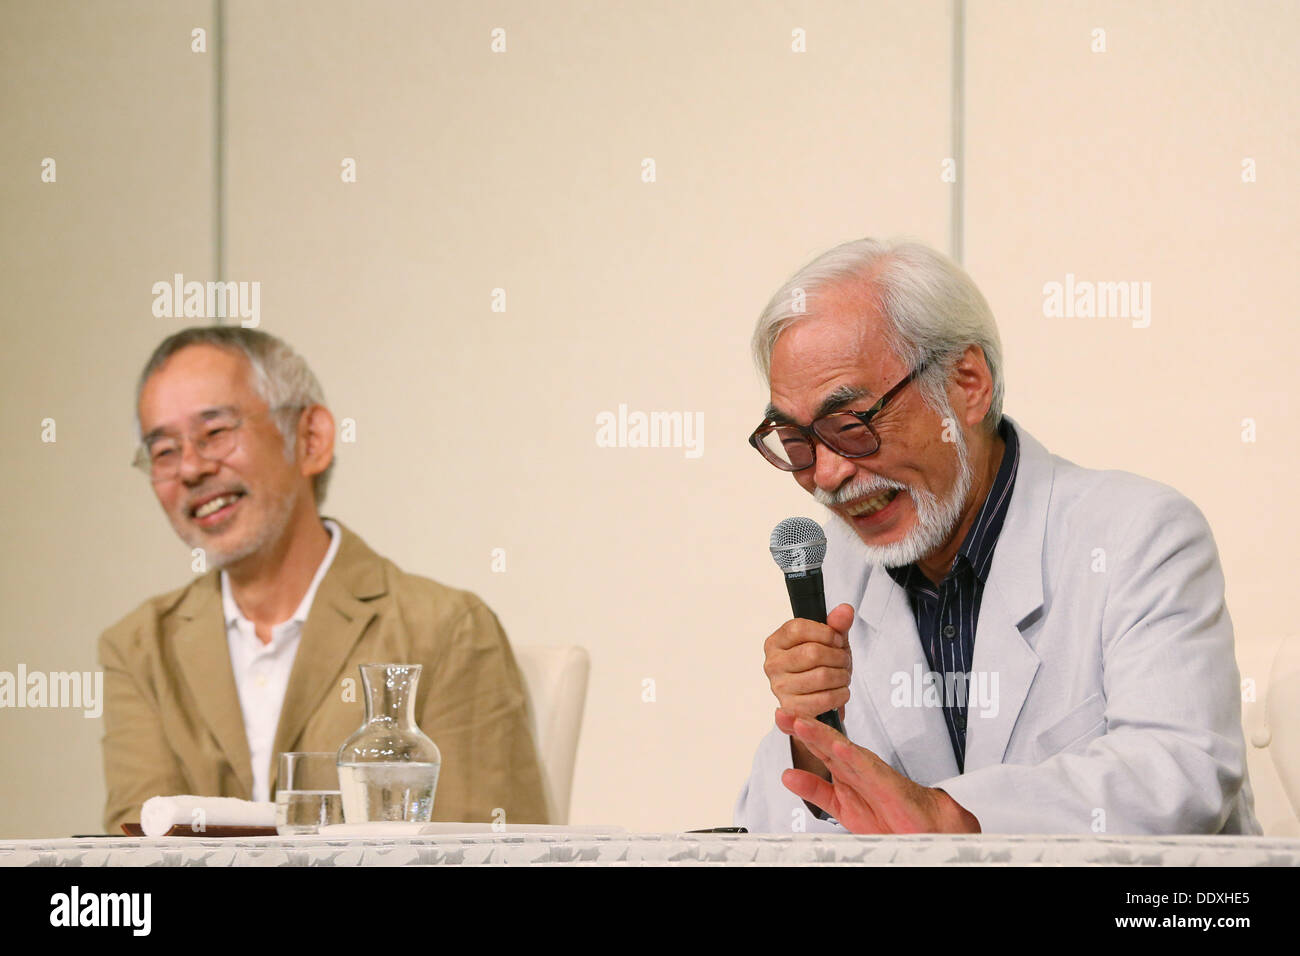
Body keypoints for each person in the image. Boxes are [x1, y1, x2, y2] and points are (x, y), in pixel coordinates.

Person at [734, 238, 1260, 834]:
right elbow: (767, 829)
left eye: (852, 425)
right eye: (798, 443)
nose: (826, 476)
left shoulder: (1137, 535)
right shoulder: (836, 573)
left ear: (967, 383)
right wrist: (812, 733)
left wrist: (952, 816)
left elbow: (1181, 774)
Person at [99, 326, 548, 833]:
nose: (191, 468)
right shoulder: (139, 648)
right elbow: (136, 852)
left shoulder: (444, 628)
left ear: (310, 439)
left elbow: (491, 852)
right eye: (163, 452)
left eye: (215, 433)